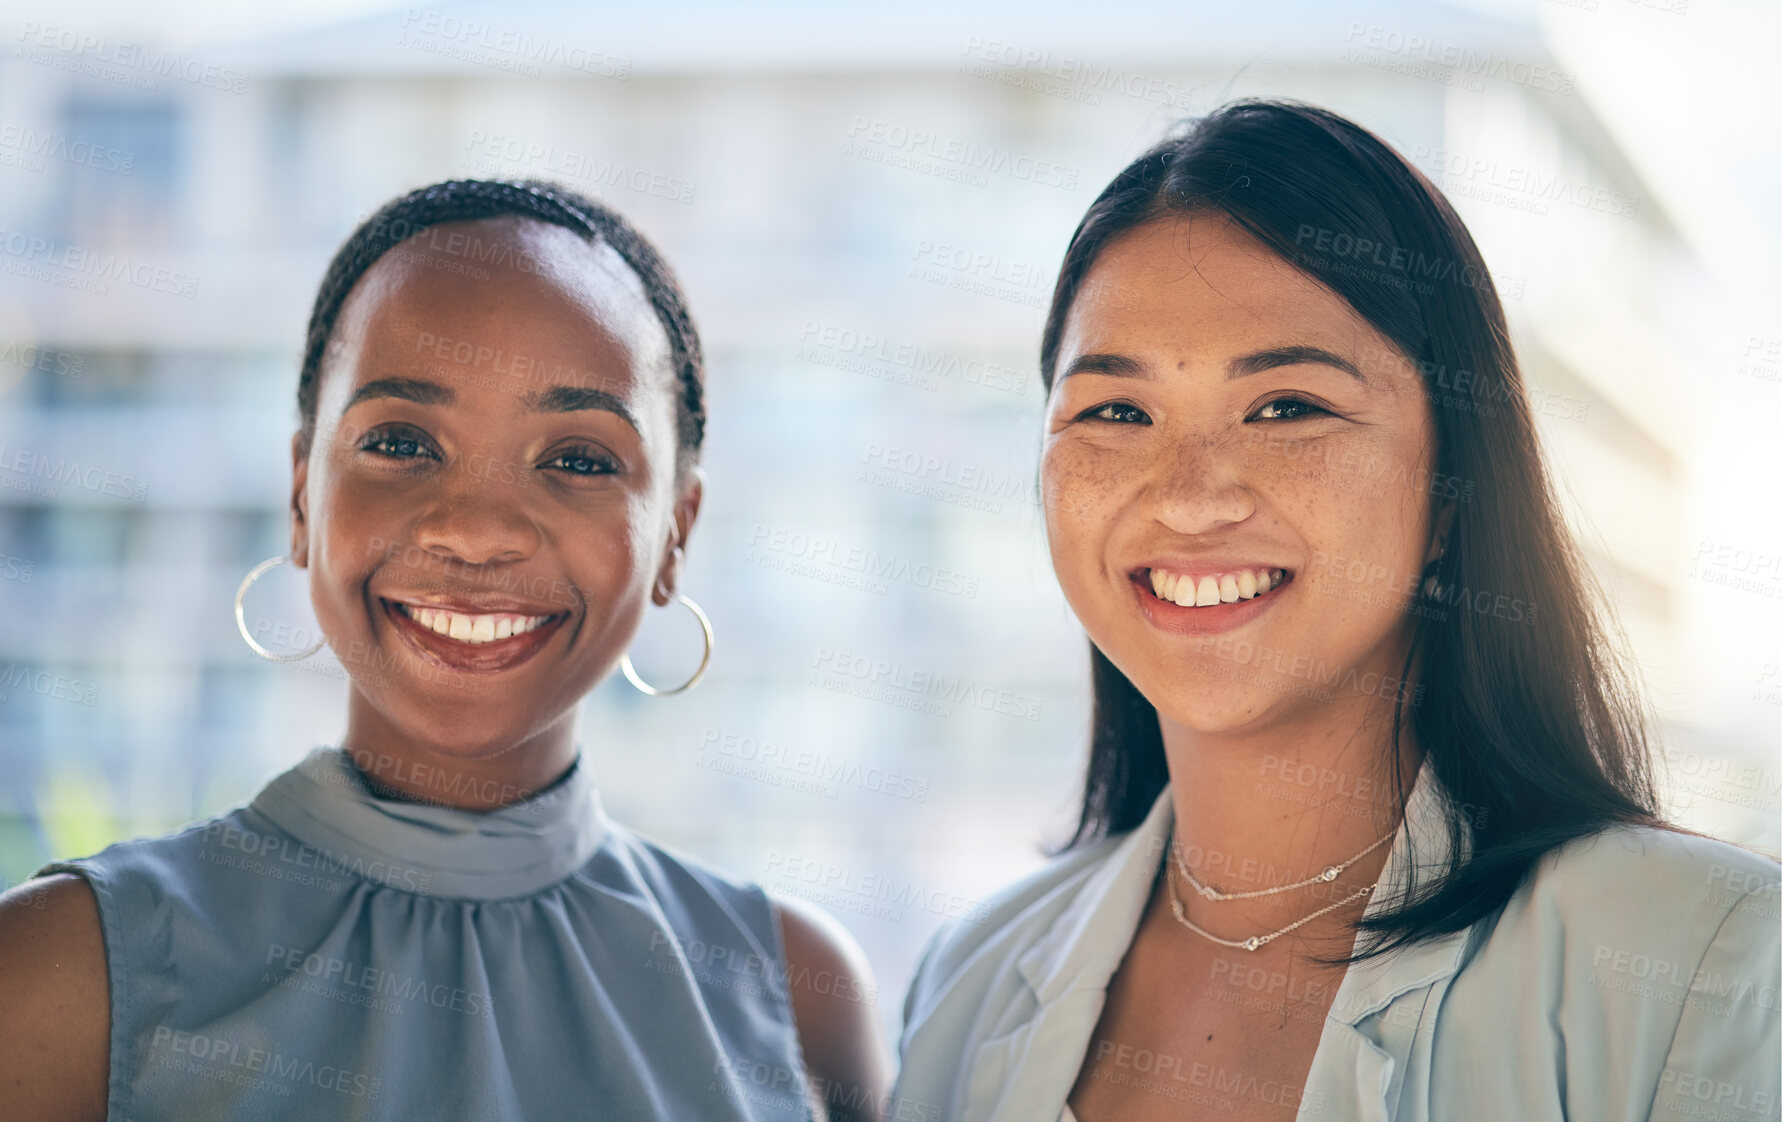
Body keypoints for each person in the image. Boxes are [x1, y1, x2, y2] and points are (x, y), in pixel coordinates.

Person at [891, 100, 1779, 1122]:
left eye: (1286, 409)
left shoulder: (1709, 957)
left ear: (1451, 492)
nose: (1188, 495)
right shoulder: (965, 984)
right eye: (1116, 413)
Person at [0, 178, 890, 1122]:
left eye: (579, 459)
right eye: (401, 441)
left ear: (676, 531)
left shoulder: (796, 993)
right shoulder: (60, 977)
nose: (476, 530)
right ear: (304, 496)